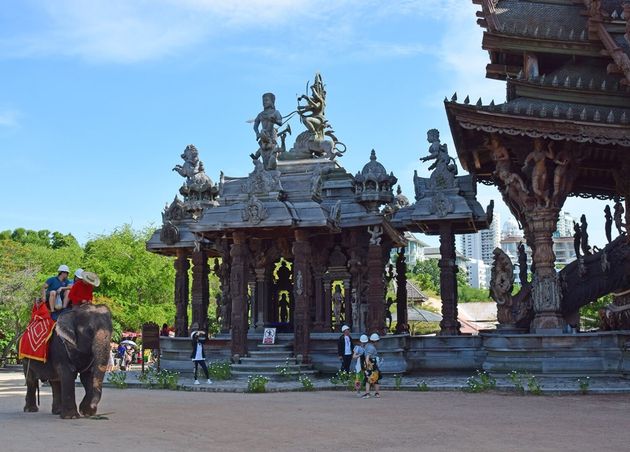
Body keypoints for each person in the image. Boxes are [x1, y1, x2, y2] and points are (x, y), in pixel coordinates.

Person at [362, 333, 381, 399]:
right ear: (375, 341)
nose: (378, 343)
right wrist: (367, 367)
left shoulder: (367, 345)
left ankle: (370, 393)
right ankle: (375, 394)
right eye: (377, 341)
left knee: (370, 379)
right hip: (371, 364)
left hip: (371, 364)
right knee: (373, 379)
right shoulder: (372, 348)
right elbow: (367, 357)